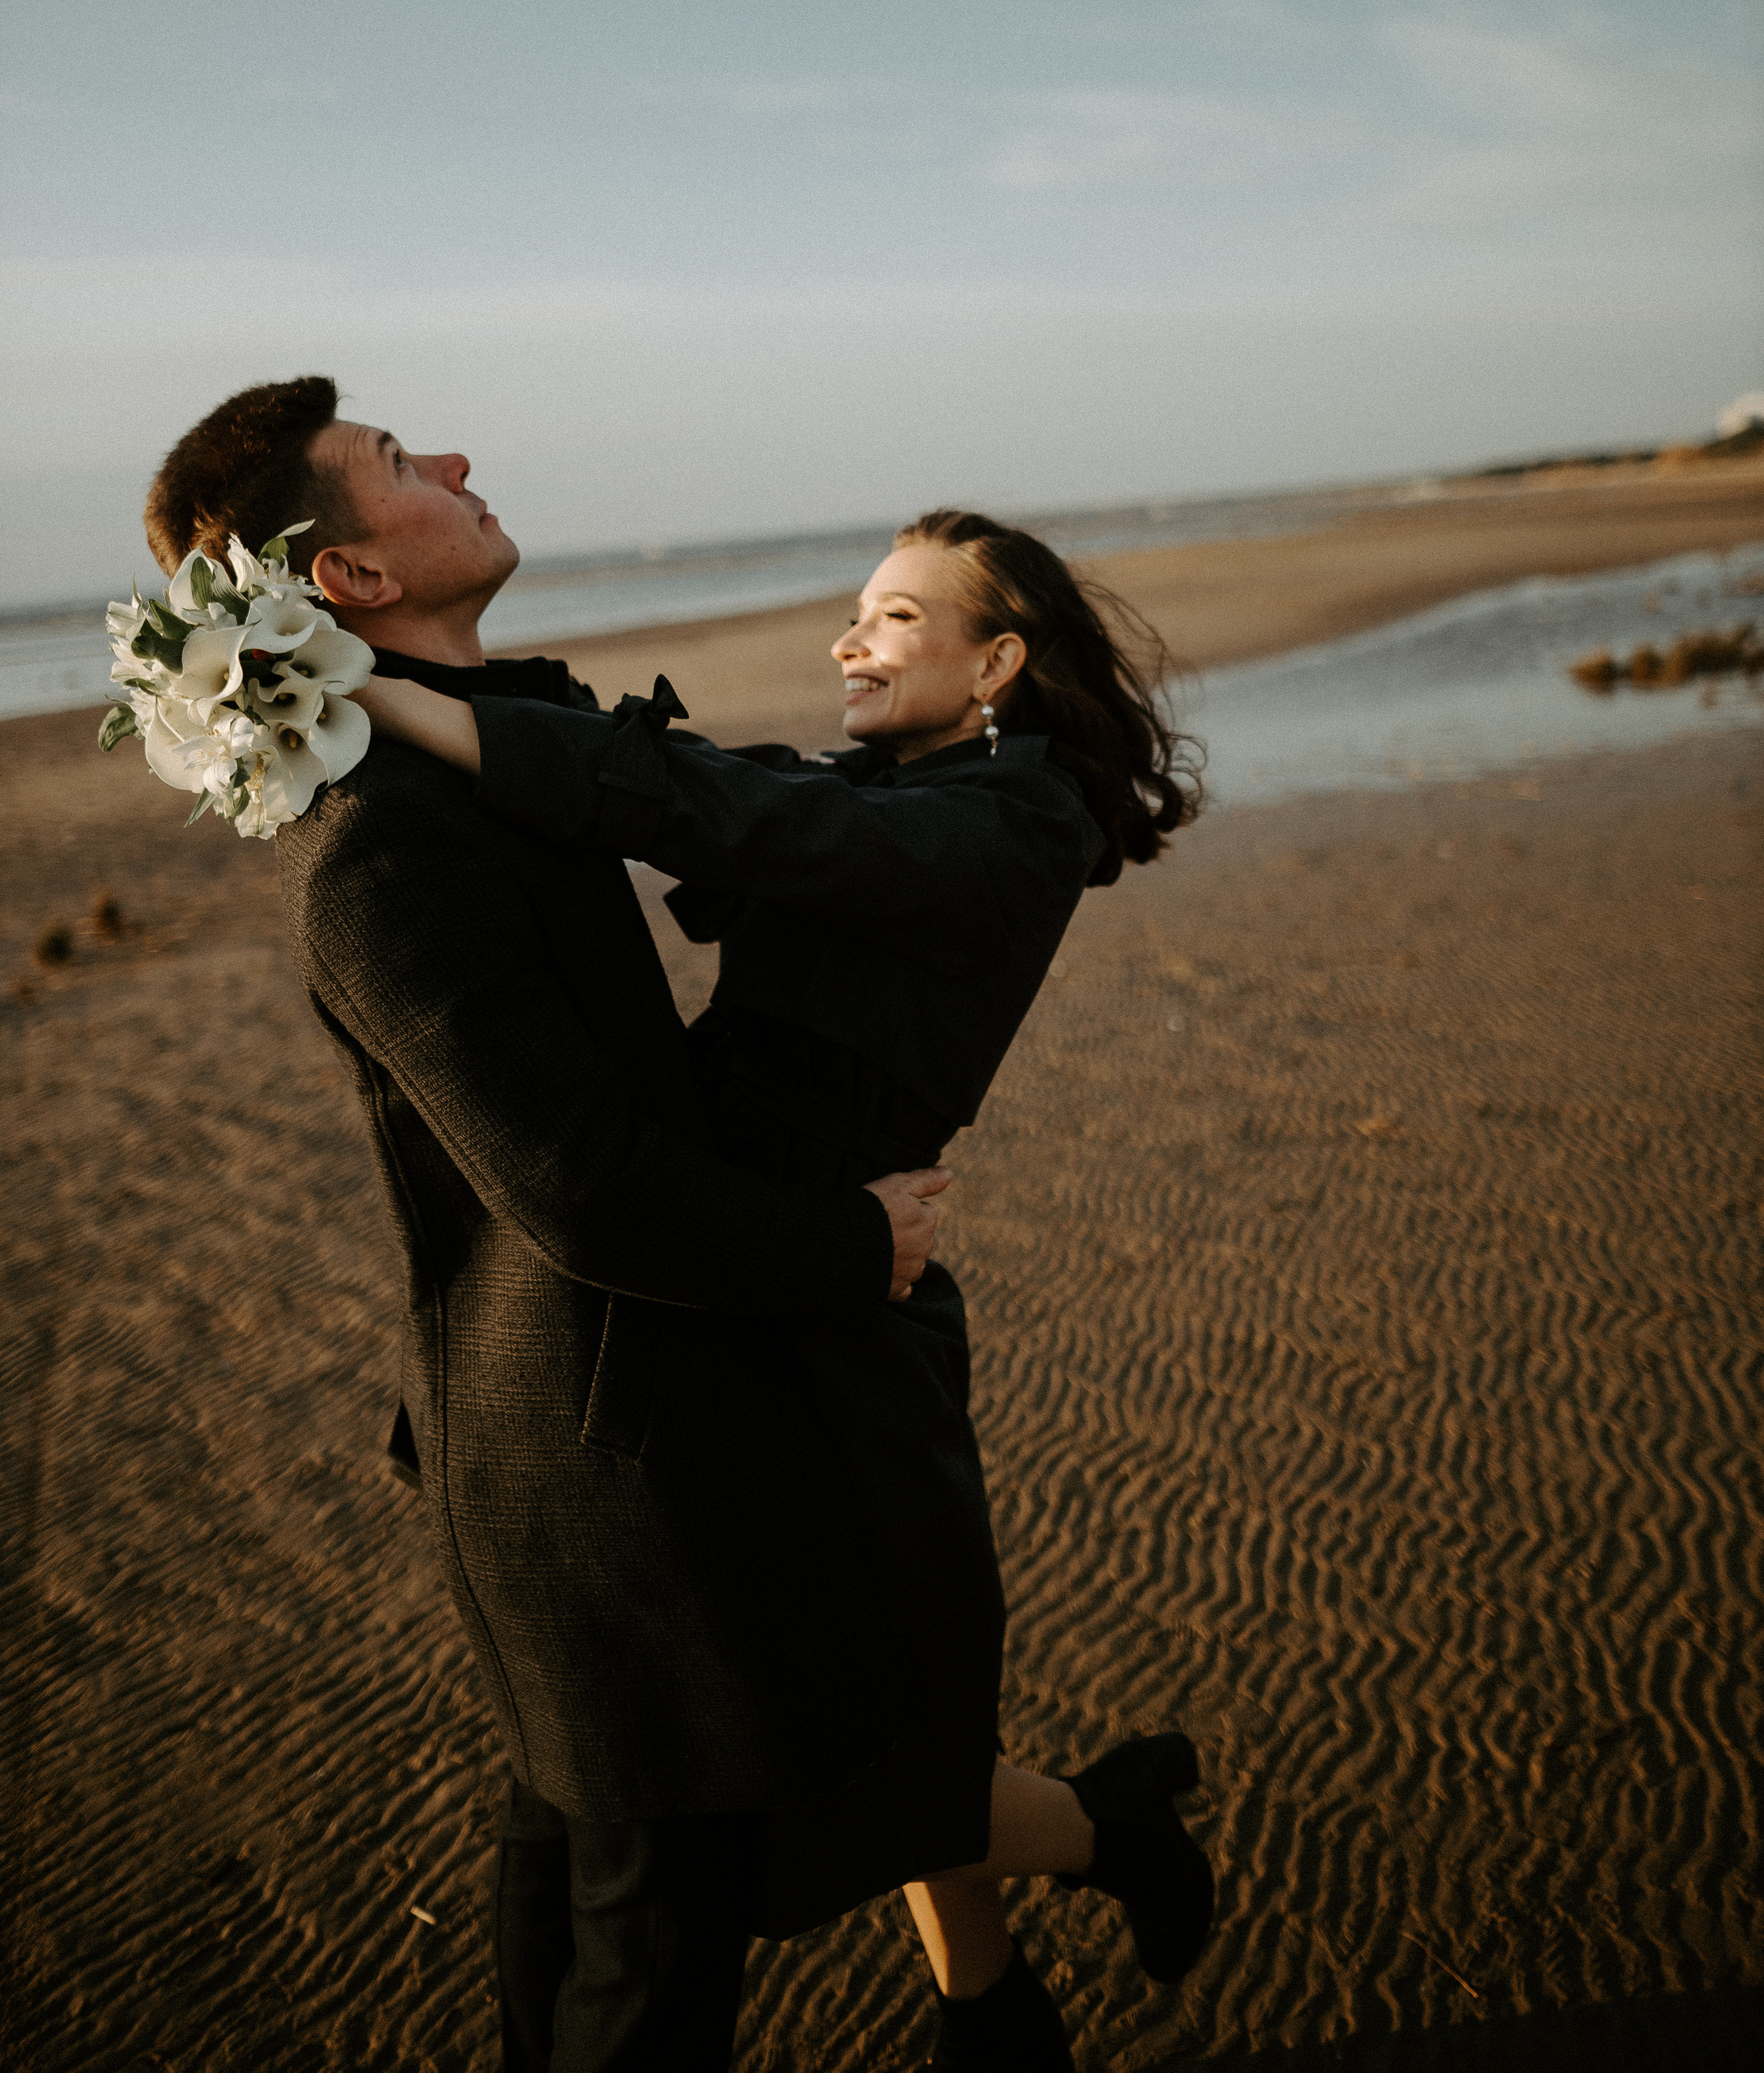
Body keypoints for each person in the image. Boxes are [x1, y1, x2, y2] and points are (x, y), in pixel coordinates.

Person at [141, 378, 955, 2073]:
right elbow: (577, 1186)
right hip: (602, 1475)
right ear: (350, 580)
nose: (446, 457)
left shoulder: (487, 760)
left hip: (602, 1439)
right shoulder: (379, 846)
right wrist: (849, 1242)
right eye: (391, 466)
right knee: (645, 1970)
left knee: (588, 1912)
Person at [361, 504, 1216, 2067]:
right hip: (746, 1265)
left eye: (894, 619)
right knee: (863, 1723)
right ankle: (996, 1995)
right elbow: (710, 785)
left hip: (847, 1294)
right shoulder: (888, 782)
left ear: (997, 662)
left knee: (885, 1733)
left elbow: (725, 820)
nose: (849, 640)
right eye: (854, 612)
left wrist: (385, 705)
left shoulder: (1010, 818)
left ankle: (1099, 1844)